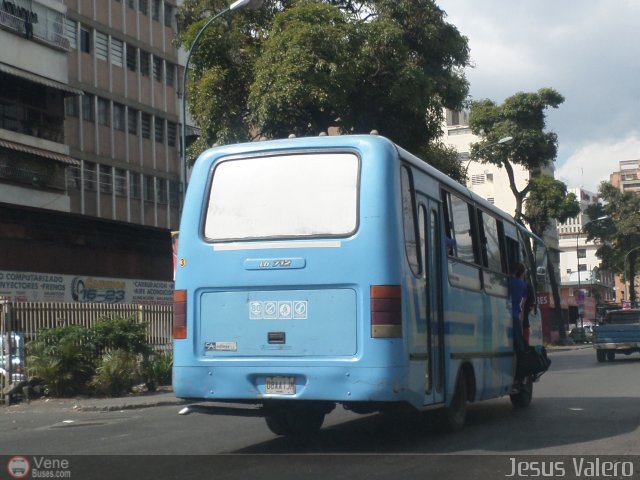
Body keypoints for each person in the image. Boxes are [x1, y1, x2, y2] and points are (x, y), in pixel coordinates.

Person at [511, 262, 528, 354]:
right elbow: (523, 304)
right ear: (522, 273)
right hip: (515, 315)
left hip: (504, 313)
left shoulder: (508, 282)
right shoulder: (523, 285)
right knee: (518, 346)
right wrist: (521, 318)